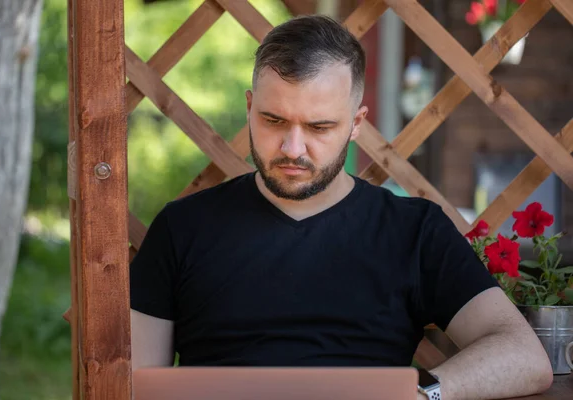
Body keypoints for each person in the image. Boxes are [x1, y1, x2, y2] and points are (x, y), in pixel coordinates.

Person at [129, 15, 553, 400]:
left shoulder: (413, 232)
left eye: (319, 126)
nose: (293, 149)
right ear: (248, 108)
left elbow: (524, 356)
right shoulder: (182, 228)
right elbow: (134, 384)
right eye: (273, 120)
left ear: (355, 123)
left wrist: (423, 394)